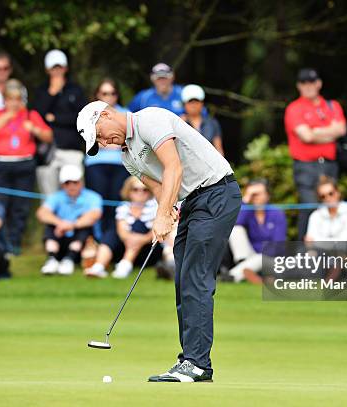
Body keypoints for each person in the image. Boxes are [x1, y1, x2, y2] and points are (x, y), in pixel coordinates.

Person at [77, 101, 241, 382]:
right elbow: (159, 187)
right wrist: (166, 212)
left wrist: (163, 215)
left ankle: (197, 363)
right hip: (192, 202)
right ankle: (191, 359)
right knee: (183, 279)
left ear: (105, 114)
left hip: (216, 192)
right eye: (98, 143)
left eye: (100, 135)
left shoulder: (149, 119)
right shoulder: (128, 158)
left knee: (196, 278)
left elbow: (173, 168)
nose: (104, 143)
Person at [0, 79, 53, 254]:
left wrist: (34, 130)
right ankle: (1, 243)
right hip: (0, 164)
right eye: (10, 98)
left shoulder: (30, 115)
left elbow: (48, 136)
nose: (14, 102)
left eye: (17, 99)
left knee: (20, 206)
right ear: (4, 99)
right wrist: (8, 115)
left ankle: (14, 243)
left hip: (24, 164)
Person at [284, 68, 347, 239]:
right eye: (304, 83)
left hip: (329, 165)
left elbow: (341, 129)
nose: (308, 86)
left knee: (332, 207)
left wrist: (315, 132)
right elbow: (306, 136)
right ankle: (303, 253)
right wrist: (329, 132)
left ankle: (330, 255)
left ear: (318, 83)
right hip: (306, 166)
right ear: (299, 86)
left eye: (311, 82)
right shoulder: (294, 108)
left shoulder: (332, 106)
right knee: (310, 207)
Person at [84, 78, 129, 256]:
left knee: (116, 205)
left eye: (112, 93)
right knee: (98, 205)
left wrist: (107, 140)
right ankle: (96, 243)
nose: (109, 97)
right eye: (104, 93)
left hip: (121, 165)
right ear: (97, 95)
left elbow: (128, 140)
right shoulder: (88, 114)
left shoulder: (125, 113)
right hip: (95, 165)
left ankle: (112, 247)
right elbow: (92, 142)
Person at [85, 177, 163, 279]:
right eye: (135, 189)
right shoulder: (123, 207)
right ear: (129, 191)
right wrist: (132, 239)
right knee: (111, 233)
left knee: (138, 226)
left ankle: (125, 266)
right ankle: (99, 266)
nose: (140, 193)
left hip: (148, 252)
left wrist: (137, 239)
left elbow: (154, 234)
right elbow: (122, 233)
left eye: (145, 189)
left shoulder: (155, 207)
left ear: (150, 192)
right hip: (124, 246)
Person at [33, 49, 87, 195]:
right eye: (53, 67)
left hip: (71, 150)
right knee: (49, 198)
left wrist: (55, 119)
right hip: (46, 152)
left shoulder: (76, 90)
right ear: (47, 69)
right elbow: (36, 116)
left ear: (66, 68)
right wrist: (52, 93)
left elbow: (82, 118)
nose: (57, 71)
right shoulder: (41, 91)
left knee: (74, 195)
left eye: (60, 67)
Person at [36, 165, 102, 276]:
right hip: (61, 239)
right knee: (50, 226)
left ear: (81, 182)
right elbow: (42, 213)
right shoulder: (56, 197)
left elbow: (94, 216)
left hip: (83, 245)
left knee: (85, 227)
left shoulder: (93, 197)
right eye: (67, 183)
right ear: (62, 185)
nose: (72, 186)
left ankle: (69, 259)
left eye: (75, 182)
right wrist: (60, 223)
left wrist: (71, 225)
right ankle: (52, 259)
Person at [227, 179, 286, 284]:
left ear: (267, 196)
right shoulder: (248, 212)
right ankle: (247, 268)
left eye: (257, 194)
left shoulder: (277, 213)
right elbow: (234, 223)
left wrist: (259, 256)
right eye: (252, 194)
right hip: (250, 257)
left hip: (272, 259)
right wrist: (245, 200)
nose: (255, 197)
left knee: (260, 257)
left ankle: (231, 276)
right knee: (236, 229)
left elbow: (278, 244)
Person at [304, 175, 347, 242]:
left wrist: (316, 241)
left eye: (331, 193)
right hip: (319, 252)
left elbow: (344, 244)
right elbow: (309, 243)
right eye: (323, 196)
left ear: (338, 192)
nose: (328, 198)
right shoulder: (315, 216)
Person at [181, 84, 224, 155]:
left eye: (197, 101)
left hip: (209, 162)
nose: (193, 105)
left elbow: (219, 149)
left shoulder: (212, 123)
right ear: (184, 104)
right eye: (190, 101)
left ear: (202, 103)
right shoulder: (179, 123)